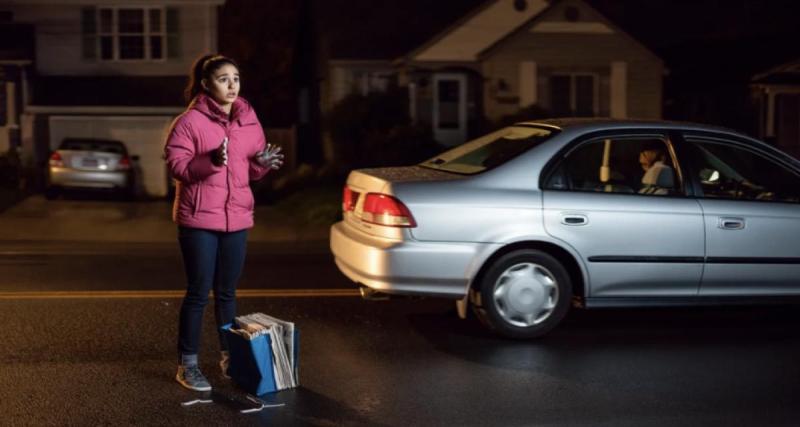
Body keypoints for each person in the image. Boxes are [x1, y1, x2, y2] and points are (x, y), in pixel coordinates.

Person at [164, 54, 284, 391]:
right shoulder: (189, 122)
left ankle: (230, 357)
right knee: (199, 293)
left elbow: (250, 167)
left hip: (237, 217)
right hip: (199, 219)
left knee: (228, 293)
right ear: (206, 84)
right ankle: (187, 365)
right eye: (223, 79)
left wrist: (262, 163)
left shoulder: (248, 118)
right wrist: (211, 160)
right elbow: (179, 168)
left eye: (236, 78)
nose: (232, 85)